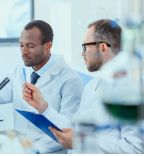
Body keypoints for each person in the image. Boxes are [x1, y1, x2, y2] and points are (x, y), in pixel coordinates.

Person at [22, 19, 143, 154]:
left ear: (103, 48)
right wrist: (42, 106)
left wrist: (83, 142)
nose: (82, 53)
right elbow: (73, 129)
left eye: (85, 47)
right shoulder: (92, 86)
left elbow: (136, 149)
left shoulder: (130, 90)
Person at [0, 20, 84, 153]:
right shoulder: (21, 70)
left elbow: (69, 131)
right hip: (20, 144)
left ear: (48, 45)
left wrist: (34, 149)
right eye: (21, 45)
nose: (23, 51)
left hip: (48, 151)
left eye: (30, 46)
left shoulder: (71, 80)